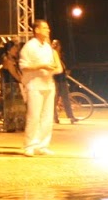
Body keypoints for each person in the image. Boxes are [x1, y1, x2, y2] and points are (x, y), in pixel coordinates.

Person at [19, 19, 58, 156]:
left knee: (47, 117)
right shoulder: (29, 47)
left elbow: (53, 64)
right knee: (34, 116)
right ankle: (30, 145)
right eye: (45, 28)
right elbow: (23, 66)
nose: (48, 30)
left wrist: (52, 68)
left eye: (48, 28)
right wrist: (41, 66)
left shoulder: (47, 47)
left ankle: (42, 144)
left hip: (48, 84)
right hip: (34, 84)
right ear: (37, 30)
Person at [52, 38, 78, 124]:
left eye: (56, 44)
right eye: (53, 44)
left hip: (62, 79)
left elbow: (66, 66)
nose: (55, 46)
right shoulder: (51, 56)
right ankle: (55, 117)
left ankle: (71, 117)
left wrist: (67, 72)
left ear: (59, 46)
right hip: (55, 80)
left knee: (66, 98)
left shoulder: (62, 56)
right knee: (54, 100)